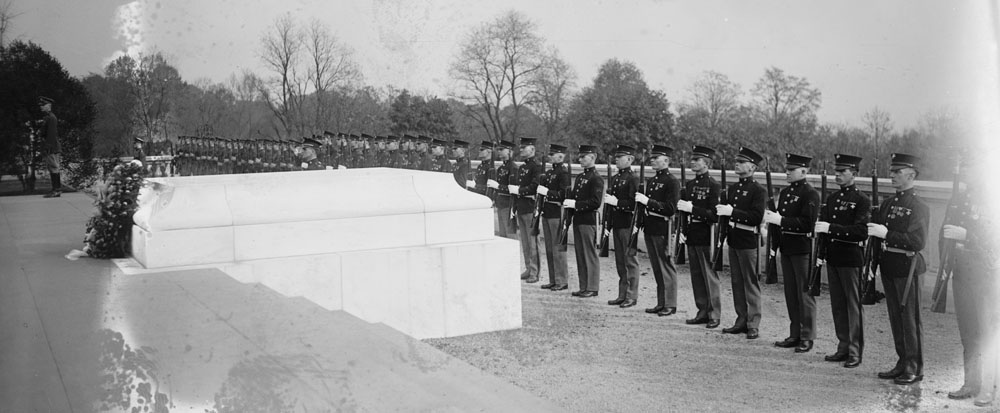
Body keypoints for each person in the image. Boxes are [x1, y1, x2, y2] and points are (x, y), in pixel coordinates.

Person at [939, 153, 998, 402]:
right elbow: (944, 231)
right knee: (968, 332)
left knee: (987, 332)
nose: (964, 173)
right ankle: (971, 383)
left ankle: (989, 387)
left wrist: (968, 235)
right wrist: (945, 262)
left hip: (985, 274)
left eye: (970, 168)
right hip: (961, 271)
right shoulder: (959, 198)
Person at [868, 153, 929, 385]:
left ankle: (914, 366)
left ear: (911, 175)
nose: (892, 175)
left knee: (910, 319)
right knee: (896, 317)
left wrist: (887, 234)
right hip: (890, 265)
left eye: (897, 172)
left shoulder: (918, 206)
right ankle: (902, 361)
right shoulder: (888, 203)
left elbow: (918, 241)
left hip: (908, 266)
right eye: (892, 171)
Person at [814, 154, 870, 368]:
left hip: (850, 257)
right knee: (838, 304)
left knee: (852, 306)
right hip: (834, 256)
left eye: (842, 172)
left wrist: (832, 229)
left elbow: (860, 231)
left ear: (854, 174)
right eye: (836, 172)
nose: (837, 175)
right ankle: (843, 346)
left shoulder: (862, 200)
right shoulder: (832, 199)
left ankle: (855, 350)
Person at [765, 153, 821, 353]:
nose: (787, 173)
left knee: (804, 294)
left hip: (801, 247)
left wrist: (780, 221)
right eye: (787, 169)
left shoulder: (810, 194)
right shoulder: (787, 193)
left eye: (791, 170)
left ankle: (807, 336)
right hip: (787, 247)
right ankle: (795, 333)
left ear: (804, 171)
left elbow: (807, 223)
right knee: (790, 293)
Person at [716, 147, 766, 340]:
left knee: (750, 282)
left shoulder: (758, 190)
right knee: (736, 282)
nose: (736, 164)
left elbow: (756, 217)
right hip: (734, 238)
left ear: (752, 167)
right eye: (736, 161)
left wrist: (732, 213)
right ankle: (741, 319)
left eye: (741, 162)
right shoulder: (734, 189)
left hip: (748, 240)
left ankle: (753, 323)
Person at [677, 146, 722, 328]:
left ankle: (714, 314)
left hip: (705, 233)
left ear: (707, 163)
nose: (693, 162)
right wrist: (683, 231)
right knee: (696, 276)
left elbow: (714, 215)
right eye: (693, 159)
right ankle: (702, 310)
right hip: (692, 233)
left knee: (709, 276)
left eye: (697, 160)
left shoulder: (713, 185)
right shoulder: (690, 185)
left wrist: (692, 209)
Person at [635, 144, 679, 315]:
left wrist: (648, 202)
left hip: (663, 227)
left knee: (666, 266)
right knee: (657, 267)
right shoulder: (653, 181)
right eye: (651, 158)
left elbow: (670, 208)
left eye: (656, 158)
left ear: (666, 160)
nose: (652, 160)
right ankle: (662, 302)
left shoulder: (672, 181)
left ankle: (670, 303)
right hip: (651, 227)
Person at [605, 145, 640, 308]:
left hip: (627, 224)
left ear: (630, 159)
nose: (617, 159)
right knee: (620, 261)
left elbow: (634, 204)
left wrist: (617, 203)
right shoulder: (615, 178)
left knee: (630, 261)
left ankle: (631, 295)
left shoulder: (633, 179)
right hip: (617, 223)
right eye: (616, 157)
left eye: (621, 157)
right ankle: (622, 293)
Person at [567, 145, 604, 298]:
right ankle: (584, 286)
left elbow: (595, 202)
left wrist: (576, 205)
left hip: (588, 220)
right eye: (580, 156)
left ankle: (593, 287)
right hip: (579, 219)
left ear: (593, 157)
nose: (580, 159)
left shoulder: (596, 178)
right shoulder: (581, 177)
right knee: (580, 254)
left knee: (589, 254)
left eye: (584, 156)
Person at [537, 144, 571, 291]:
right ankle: (553, 279)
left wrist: (547, 192)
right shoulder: (550, 173)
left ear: (560, 156)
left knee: (558, 248)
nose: (550, 157)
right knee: (550, 249)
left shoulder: (563, 173)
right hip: (547, 212)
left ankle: (562, 280)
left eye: (552, 154)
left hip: (557, 212)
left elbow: (563, 195)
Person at [510, 137, 543, 283]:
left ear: (532, 150)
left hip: (530, 207)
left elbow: (535, 186)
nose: (521, 150)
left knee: (532, 242)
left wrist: (520, 190)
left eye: (524, 147)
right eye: (521, 147)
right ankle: (528, 268)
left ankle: (535, 272)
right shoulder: (523, 167)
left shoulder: (536, 167)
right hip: (522, 207)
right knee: (525, 241)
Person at [488, 140, 517, 239]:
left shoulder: (513, 168)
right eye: (498, 149)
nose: (499, 152)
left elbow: (513, 189)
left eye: (502, 149)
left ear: (509, 151)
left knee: (510, 236)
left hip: (508, 206)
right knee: (503, 235)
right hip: (501, 205)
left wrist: (498, 187)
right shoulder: (501, 168)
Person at [38, 96, 62, 198]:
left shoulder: (51, 118)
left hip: (51, 147)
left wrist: (48, 147)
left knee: (54, 168)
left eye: (43, 105)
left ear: (48, 106)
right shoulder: (48, 117)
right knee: (53, 168)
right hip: (51, 146)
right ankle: (56, 190)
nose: (41, 107)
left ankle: (56, 190)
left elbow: (51, 134)